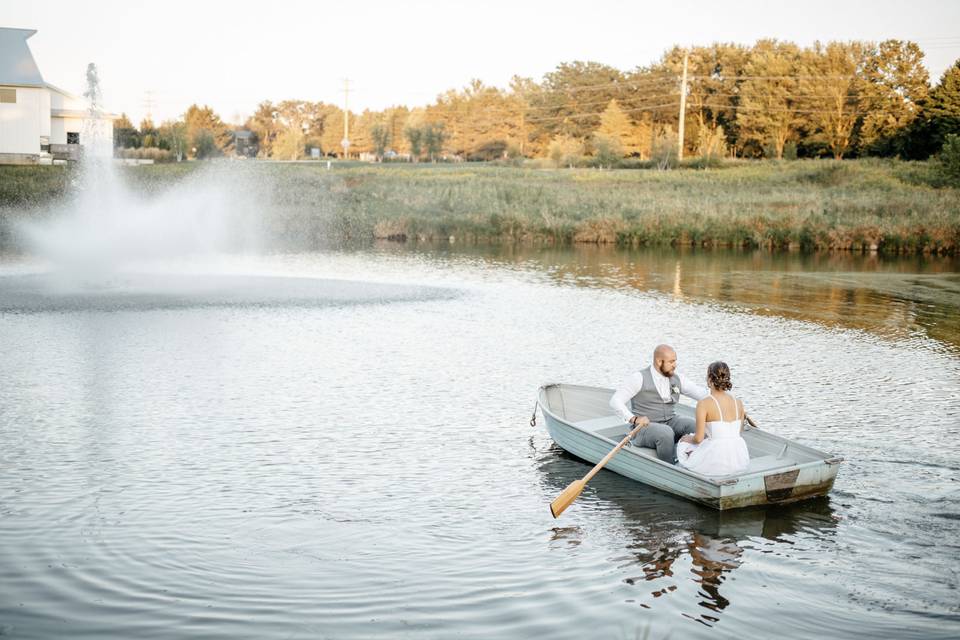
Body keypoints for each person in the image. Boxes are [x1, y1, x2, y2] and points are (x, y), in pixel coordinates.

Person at [609, 344, 709, 463]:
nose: (675, 365)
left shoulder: (677, 378)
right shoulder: (638, 378)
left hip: (671, 421)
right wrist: (634, 419)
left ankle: (696, 462)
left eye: (675, 361)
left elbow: (702, 395)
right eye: (671, 362)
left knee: (696, 426)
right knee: (665, 433)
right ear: (658, 361)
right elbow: (615, 401)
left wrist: (722, 398)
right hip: (644, 428)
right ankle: (671, 468)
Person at [676, 361, 750, 476]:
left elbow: (698, 439)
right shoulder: (738, 402)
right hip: (738, 458)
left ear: (710, 379)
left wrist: (686, 439)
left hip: (716, 459)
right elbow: (738, 432)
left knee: (683, 445)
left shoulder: (704, 403)